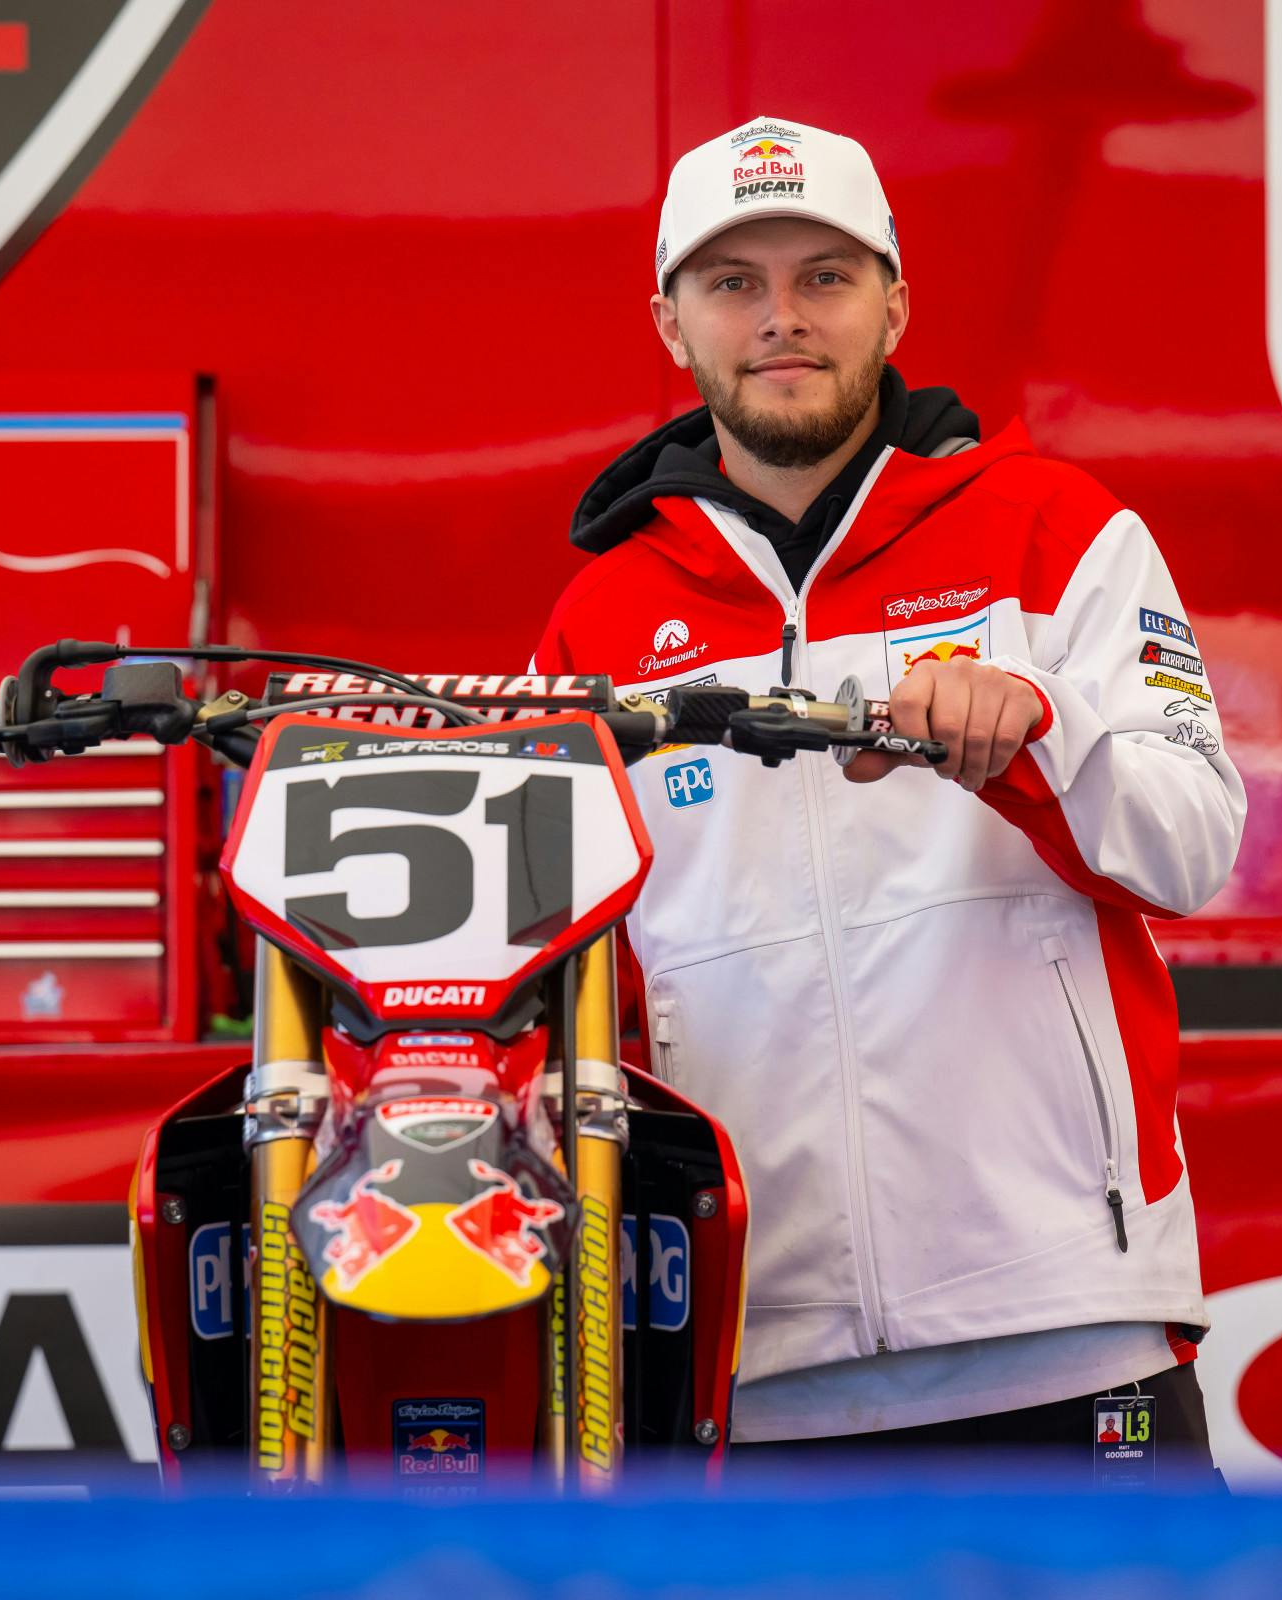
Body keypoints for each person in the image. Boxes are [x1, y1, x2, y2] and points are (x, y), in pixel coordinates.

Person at [531, 117, 1245, 1466]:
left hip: (1066, 1324)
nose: (782, 318)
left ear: (896, 303)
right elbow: (554, 976)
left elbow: (1195, 844)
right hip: (742, 1354)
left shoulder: (1056, 531)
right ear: (671, 324)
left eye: (826, 276)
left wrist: (1043, 734)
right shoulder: (596, 621)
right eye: (733, 283)